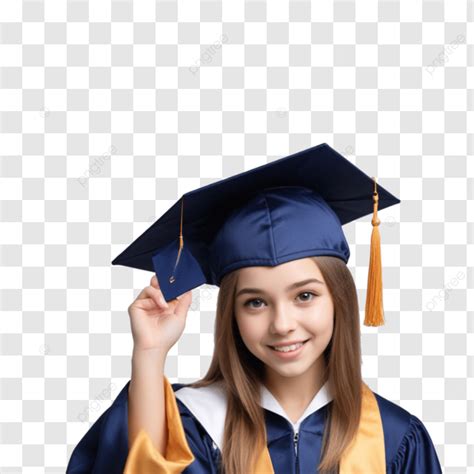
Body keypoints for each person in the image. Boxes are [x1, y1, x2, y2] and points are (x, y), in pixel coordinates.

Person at [66, 144, 442, 473]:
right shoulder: (195, 424)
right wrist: (149, 354)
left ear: (339, 299)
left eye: (305, 296)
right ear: (231, 313)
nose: (282, 324)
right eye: (256, 302)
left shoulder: (394, 438)